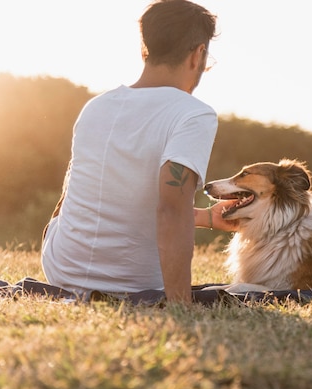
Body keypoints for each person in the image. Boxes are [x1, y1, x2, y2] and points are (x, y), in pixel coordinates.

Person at [41, 0, 235, 304]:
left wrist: (204, 217)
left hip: (61, 272)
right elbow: (171, 208)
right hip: (136, 283)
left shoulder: (96, 106)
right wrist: (181, 305)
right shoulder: (194, 114)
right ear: (198, 54)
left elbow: (81, 198)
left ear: (145, 49)